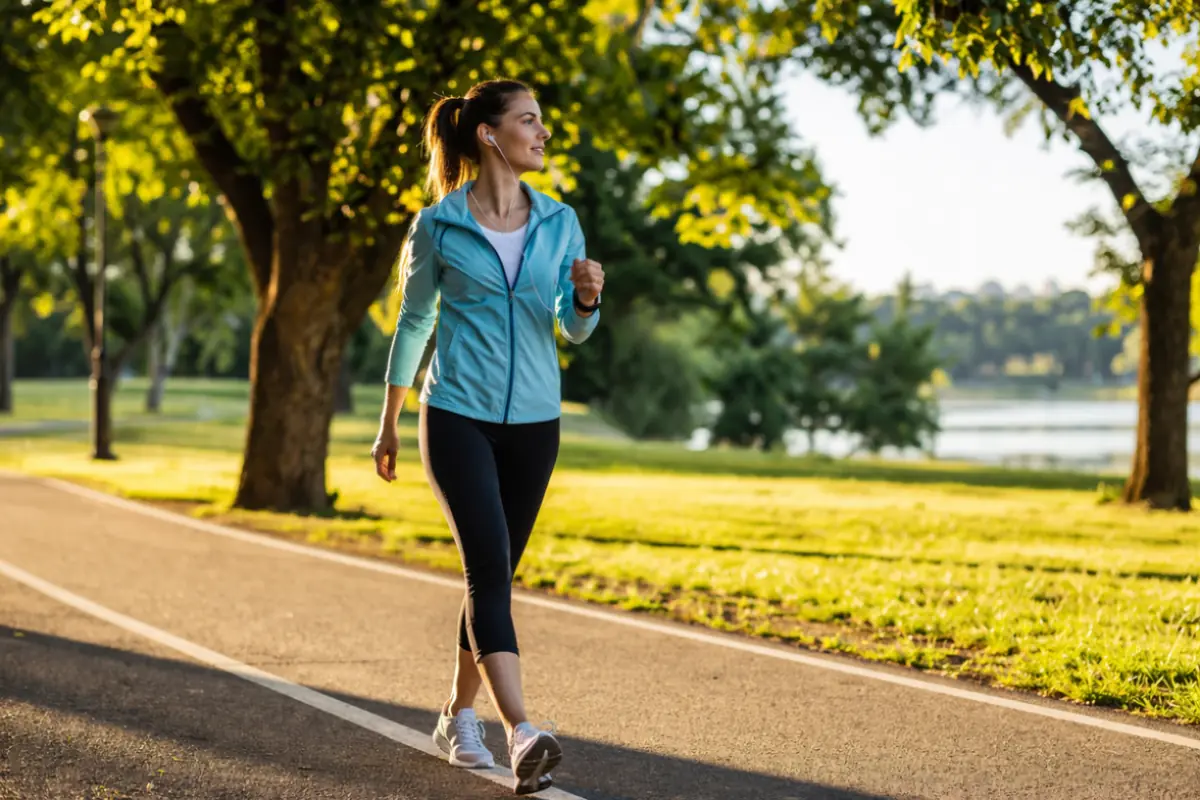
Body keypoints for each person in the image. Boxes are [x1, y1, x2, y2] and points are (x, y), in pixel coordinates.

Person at [370, 79, 604, 796]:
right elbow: (414, 323)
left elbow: (570, 326)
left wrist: (589, 297)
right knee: (485, 566)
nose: (542, 132)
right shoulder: (438, 226)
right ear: (490, 136)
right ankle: (522, 730)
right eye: (529, 120)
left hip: (536, 423)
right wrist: (390, 421)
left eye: (541, 120)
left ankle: (455, 714)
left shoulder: (561, 222)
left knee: (495, 578)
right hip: (457, 415)